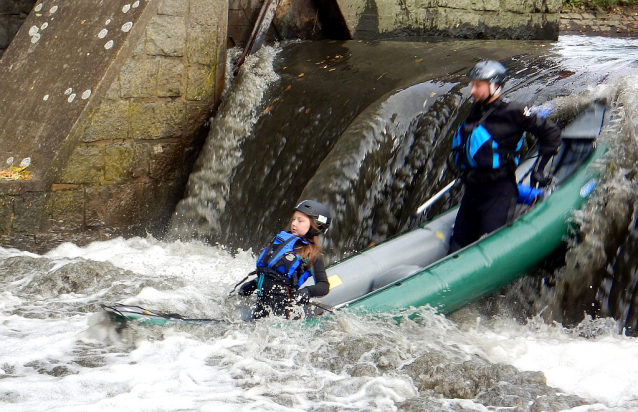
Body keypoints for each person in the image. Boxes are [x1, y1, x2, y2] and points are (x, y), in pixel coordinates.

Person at [449, 60, 562, 253]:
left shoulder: (514, 112)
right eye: (472, 85)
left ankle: (532, 197)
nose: (472, 91)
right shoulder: (476, 110)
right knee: (456, 248)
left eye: (477, 85)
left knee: (489, 250)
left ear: (494, 86)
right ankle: (526, 195)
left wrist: (539, 169)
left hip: (498, 193)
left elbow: (551, 134)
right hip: (472, 191)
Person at [236, 200, 331, 319]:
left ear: (315, 226)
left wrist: (308, 291)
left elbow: (324, 286)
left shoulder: (312, 254)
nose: (294, 223)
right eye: (294, 219)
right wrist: (254, 283)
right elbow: (273, 275)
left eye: (300, 221)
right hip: (261, 308)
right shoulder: (281, 243)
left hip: (284, 313)